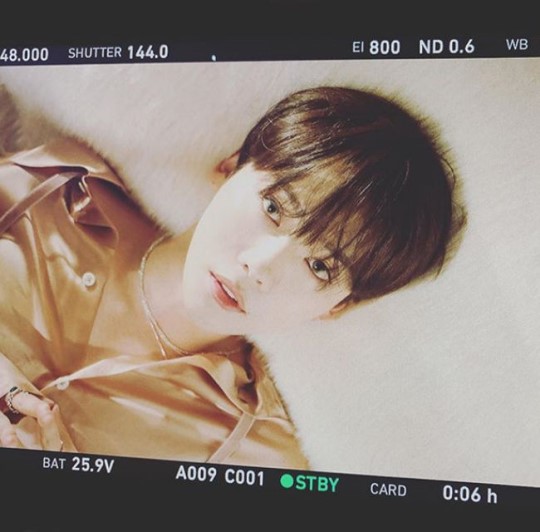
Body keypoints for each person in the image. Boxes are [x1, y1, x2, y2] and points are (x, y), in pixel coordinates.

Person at [0, 86, 465, 468]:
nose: (260, 267)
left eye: (321, 266)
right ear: (232, 165)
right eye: (274, 207)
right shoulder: (57, 186)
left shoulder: (256, 455)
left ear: (336, 306)